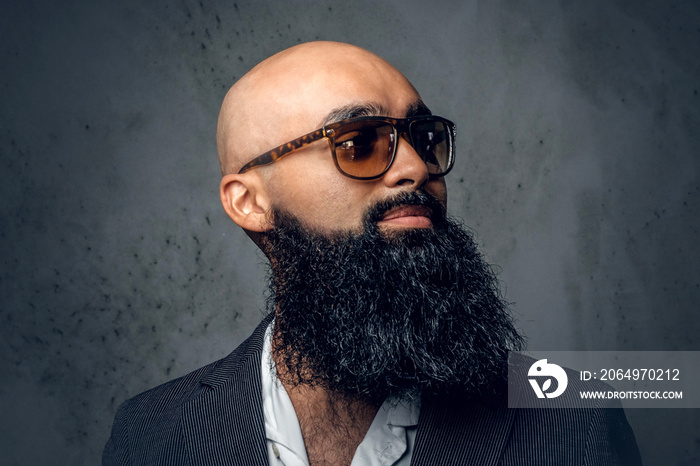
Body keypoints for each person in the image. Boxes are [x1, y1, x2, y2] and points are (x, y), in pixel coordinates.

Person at [103, 41, 642, 466]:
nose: (414, 167)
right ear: (248, 202)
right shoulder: (150, 433)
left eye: (423, 138)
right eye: (358, 142)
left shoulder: (574, 417)